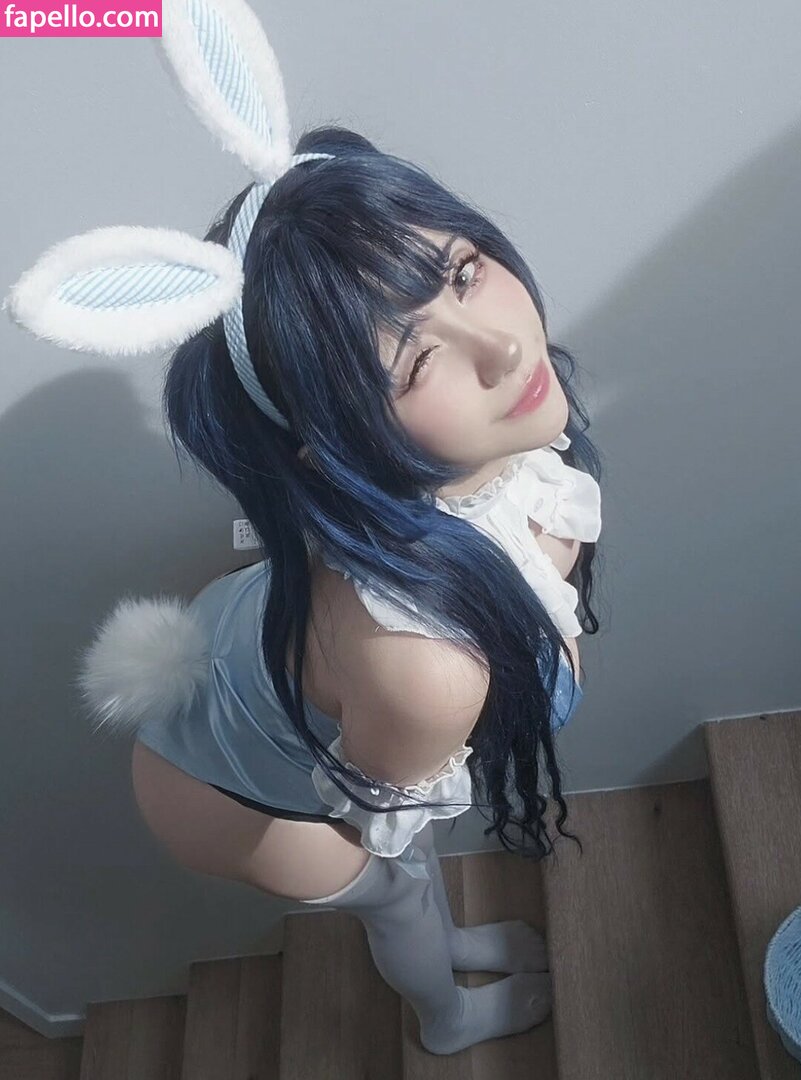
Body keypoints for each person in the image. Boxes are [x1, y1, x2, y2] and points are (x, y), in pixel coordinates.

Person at [4, 0, 603, 1056]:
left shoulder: (492, 460)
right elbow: (394, 789)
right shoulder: (424, 669)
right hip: (222, 794)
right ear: (327, 449)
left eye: (463, 271)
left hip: (276, 674)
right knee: (398, 889)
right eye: (414, 362)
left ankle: (448, 947)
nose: (505, 347)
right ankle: (448, 1021)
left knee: (413, 863)